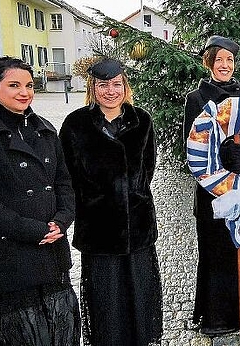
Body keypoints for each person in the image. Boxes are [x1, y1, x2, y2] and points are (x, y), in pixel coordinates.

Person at [0, 56, 80, 346]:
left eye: (28, 85)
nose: (24, 92)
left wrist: (62, 220)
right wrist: (30, 230)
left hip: (52, 250)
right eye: (14, 85)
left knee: (58, 330)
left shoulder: (46, 129)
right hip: (8, 252)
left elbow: (64, 181)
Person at [59, 58, 162, 346]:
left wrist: (135, 194)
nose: (110, 91)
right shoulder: (76, 124)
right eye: (103, 85)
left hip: (137, 224)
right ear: (93, 88)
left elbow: (148, 166)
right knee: (106, 295)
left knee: (138, 291)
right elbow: (67, 172)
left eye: (116, 84)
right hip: (98, 227)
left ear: (125, 87)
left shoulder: (142, 121)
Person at [183, 35, 240, 336]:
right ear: (209, 63)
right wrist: (221, 164)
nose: (224, 65)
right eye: (218, 60)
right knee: (217, 249)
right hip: (212, 190)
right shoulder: (196, 99)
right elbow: (191, 147)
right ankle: (217, 316)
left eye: (229, 60)